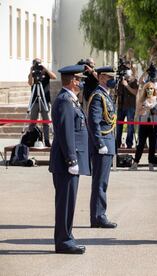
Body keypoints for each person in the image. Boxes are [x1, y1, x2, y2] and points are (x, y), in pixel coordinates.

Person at [49, 64, 89, 254]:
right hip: (66, 163)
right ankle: (63, 241)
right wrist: (72, 160)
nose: (81, 83)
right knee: (65, 203)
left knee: (69, 202)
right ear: (73, 81)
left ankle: (67, 237)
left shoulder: (70, 100)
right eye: (79, 79)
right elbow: (66, 134)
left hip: (68, 161)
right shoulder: (65, 100)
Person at [87, 66, 118, 228]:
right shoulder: (98, 96)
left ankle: (98, 215)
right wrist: (99, 143)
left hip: (108, 142)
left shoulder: (106, 95)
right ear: (100, 78)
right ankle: (98, 216)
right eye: (108, 77)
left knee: (102, 182)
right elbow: (93, 122)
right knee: (100, 183)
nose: (111, 79)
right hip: (102, 144)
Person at [130, 81, 157, 170]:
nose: (149, 90)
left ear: (154, 89)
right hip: (143, 124)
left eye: (151, 88)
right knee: (141, 144)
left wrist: (154, 111)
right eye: (147, 88)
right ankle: (136, 162)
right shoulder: (142, 99)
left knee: (152, 144)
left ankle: (151, 163)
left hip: (154, 125)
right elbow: (138, 112)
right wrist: (143, 109)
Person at [27, 58, 57, 147]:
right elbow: (30, 83)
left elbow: (54, 77)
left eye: (39, 64)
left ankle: (47, 140)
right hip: (35, 100)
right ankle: (31, 139)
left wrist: (45, 69)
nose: (38, 66)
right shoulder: (32, 73)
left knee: (46, 121)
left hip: (45, 100)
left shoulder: (46, 73)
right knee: (33, 121)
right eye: (36, 64)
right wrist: (31, 71)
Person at [115, 61, 138, 149]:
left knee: (130, 126)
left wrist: (127, 85)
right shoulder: (119, 80)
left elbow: (135, 93)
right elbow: (115, 93)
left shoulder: (133, 80)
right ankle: (117, 143)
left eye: (127, 69)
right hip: (120, 106)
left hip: (130, 106)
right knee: (119, 126)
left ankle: (129, 144)